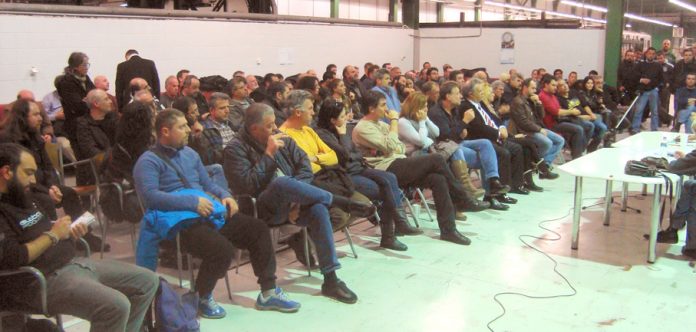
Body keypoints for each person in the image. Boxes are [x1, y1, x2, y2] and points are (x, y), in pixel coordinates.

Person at [134, 109, 301, 318]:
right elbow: (150, 197)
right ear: (165, 131)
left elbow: (208, 183)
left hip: (205, 213)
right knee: (222, 250)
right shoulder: (148, 161)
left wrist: (225, 195)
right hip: (176, 222)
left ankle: (268, 292)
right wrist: (191, 202)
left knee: (257, 229)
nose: (189, 130)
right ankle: (202, 297)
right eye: (182, 127)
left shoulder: (190, 154)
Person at [0, 143, 159, 332]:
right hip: (37, 281)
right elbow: (13, 256)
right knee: (115, 306)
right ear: (7, 172)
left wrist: (66, 232)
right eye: (28, 173)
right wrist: (53, 235)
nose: (33, 179)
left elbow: (37, 230)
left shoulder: (24, 196)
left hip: (71, 263)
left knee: (147, 281)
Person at [224, 103, 362, 304]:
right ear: (254, 129)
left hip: (295, 205)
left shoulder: (281, 136)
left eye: (274, 124)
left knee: (318, 209)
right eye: (269, 125)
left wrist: (297, 198)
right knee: (281, 182)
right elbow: (247, 185)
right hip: (260, 208)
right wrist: (269, 155)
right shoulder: (234, 149)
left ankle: (331, 279)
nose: (275, 129)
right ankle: (339, 201)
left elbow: (304, 166)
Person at [353, 90, 489, 244]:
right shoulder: (363, 128)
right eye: (383, 105)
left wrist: (391, 140)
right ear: (371, 108)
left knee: (438, 179)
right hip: (384, 169)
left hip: (398, 162)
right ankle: (463, 198)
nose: (387, 109)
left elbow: (400, 148)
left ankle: (448, 230)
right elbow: (392, 144)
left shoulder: (383, 125)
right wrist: (394, 122)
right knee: (437, 159)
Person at [0, 100, 108, 252]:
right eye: (36, 115)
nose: (41, 119)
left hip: (44, 186)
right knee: (46, 200)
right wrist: (47, 191)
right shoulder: (7, 141)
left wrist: (53, 186)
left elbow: (48, 167)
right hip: (22, 188)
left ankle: (82, 235)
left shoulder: (36, 137)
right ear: (22, 117)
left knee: (69, 193)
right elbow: (17, 176)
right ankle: (53, 242)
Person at [315, 99, 420, 247]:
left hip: (359, 168)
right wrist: (344, 135)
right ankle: (390, 236)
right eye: (343, 116)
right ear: (332, 120)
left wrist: (351, 154)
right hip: (344, 176)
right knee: (385, 191)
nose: (347, 119)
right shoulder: (322, 135)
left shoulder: (340, 130)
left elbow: (356, 154)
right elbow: (344, 155)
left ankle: (400, 222)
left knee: (389, 178)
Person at [428, 82, 511, 210]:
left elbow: (459, 133)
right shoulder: (436, 113)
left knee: (485, 144)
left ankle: (494, 182)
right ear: (447, 96)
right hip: (445, 148)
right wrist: (464, 122)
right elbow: (446, 137)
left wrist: (462, 130)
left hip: (458, 143)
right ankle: (475, 194)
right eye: (457, 93)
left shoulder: (454, 110)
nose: (460, 96)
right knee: (486, 158)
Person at [509, 78, 561, 179]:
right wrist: (539, 129)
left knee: (559, 140)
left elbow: (541, 116)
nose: (534, 91)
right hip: (524, 131)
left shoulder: (530, 99)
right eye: (532, 88)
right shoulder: (518, 102)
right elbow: (523, 122)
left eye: (535, 88)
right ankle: (535, 163)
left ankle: (544, 165)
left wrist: (538, 103)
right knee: (547, 143)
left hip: (535, 128)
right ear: (525, 88)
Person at [56, 52, 95, 144]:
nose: (87, 67)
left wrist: (88, 99)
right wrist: (90, 99)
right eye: (84, 65)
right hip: (76, 122)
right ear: (76, 66)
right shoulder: (66, 82)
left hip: (90, 118)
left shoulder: (87, 79)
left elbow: (96, 94)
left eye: (87, 64)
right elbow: (77, 105)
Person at [631, 47, 664, 134]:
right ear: (646, 54)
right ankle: (635, 128)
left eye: (653, 54)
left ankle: (654, 128)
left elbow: (661, 79)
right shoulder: (640, 65)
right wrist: (641, 80)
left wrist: (656, 87)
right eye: (650, 53)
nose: (651, 55)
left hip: (653, 90)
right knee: (639, 110)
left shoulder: (658, 66)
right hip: (643, 91)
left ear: (655, 55)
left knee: (655, 111)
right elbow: (634, 76)